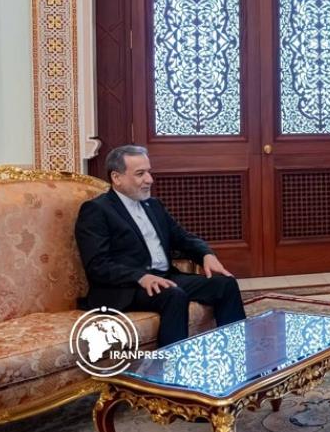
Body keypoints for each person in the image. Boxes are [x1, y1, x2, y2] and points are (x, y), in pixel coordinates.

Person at [75, 145, 246, 347]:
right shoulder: (97, 210)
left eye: (149, 172)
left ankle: (236, 350)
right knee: (173, 295)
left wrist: (206, 254)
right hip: (126, 288)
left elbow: (182, 237)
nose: (150, 179)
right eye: (140, 174)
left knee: (225, 285)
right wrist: (140, 277)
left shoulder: (153, 205)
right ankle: (170, 364)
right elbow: (97, 265)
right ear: (117, 177)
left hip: (165, 277)